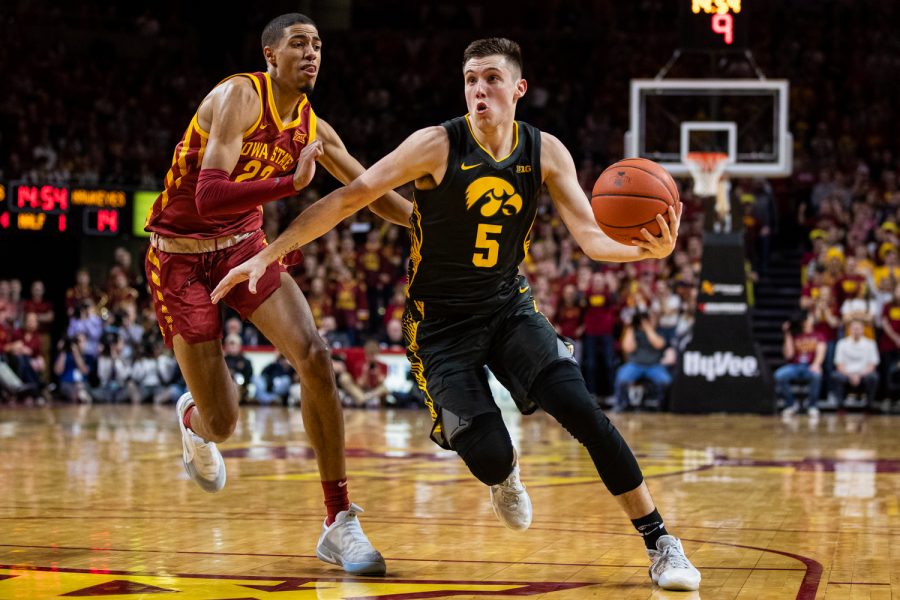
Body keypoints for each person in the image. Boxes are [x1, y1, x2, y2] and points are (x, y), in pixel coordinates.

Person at [213, 37, 700, 591]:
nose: (479, 89)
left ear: (518, 89)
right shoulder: (436, 144)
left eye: (491, 78)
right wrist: (268, 255)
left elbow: (590, 238)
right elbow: (351, 196)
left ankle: (662, 542)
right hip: (439, 327)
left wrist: (645, 251)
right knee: (491, 455)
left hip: (507, 307)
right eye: (470, 79)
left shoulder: (546, 151)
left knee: (582, 410)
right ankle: (504, 475)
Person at [142, 13, 411, 575]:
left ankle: (339, 521)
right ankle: (194, 421)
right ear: (270, 54)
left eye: (317, 44)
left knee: (315, 356)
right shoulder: (238, 96)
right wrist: (289, 184)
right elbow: (211, 194)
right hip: (181, 260)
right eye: (298, 43)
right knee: (223, 423)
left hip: (245, 248)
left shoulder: (313, 127)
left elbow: (369, 191)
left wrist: (424, 224)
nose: (311, 52)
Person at [775, 312, 826, 417]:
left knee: (816, 375)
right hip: (795, 366)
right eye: (809, 318)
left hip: (810, 365)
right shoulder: (795, 335)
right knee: (779, 375)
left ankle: (812, 406)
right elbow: (789, 355)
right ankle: (791, 405)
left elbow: (821, 352)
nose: (812, 319)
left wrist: (816, 364)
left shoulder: (818, 335)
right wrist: (787, 333)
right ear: (804, 322)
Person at [832, 318, 880, 409]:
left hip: (863, 374)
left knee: (874, 377)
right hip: (846, 374)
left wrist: (859, 375)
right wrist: (851, 375)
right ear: (850, 330)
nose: (856, 331)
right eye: (854, 328)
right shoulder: (842, 343)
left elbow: (872, 365)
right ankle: (840, 406)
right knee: (835, 376)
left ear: (863, 330)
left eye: (858, 328)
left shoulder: (870, 343)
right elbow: (839, 365)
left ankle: (869, 406)